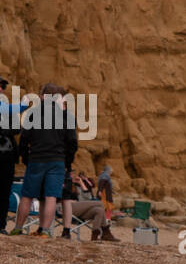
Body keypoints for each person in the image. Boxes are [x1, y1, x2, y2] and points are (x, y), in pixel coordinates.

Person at [9, 83, 78, 239]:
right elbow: (72, 143)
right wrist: (67, 162)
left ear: (43, 96)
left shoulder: (33, 113)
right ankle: (45, 231)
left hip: (36, 159)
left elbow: (24, 139)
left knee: (27, 195)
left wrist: (26, 158)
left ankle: (18, 228)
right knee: (51, 196)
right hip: (57, 161)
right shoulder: (67, 116)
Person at [0, 77, 29, 234]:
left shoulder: (7, 109)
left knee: (4, 191)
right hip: (7, 153)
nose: (2, 89)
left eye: (3, 86)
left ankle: (1, 225)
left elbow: (17, 128)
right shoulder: (8, 109)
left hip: (6, 156)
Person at [61, 170, 119, 241]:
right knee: (100, 203)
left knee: (99, 210)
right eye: (71, 174)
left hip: (79, 209)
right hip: (67, 208)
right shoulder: (61, 183)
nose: (73, 175)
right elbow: (57, 198)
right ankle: (105, 232)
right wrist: (68, 201)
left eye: (73, 174)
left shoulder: (75, 186)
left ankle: (94, 236)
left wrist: (81, 183)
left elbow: (88, 197)